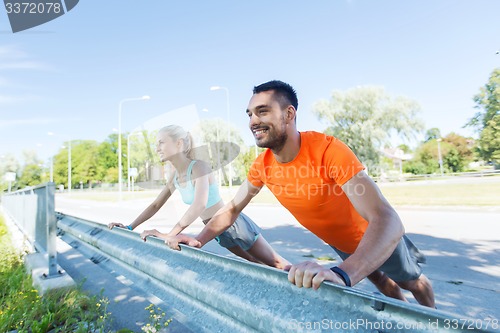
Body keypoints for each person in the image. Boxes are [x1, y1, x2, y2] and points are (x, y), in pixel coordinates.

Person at [171, 80, 436, 307]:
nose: (253, 121)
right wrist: (199, 239)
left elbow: (388, 219)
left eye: (262, 112)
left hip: (372, 237)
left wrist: (344, 274)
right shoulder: (262, 165)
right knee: (381, 281)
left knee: (410, 281)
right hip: (341, 243)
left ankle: (433, 321)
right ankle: (409, 321)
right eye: (249, 114)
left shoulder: (328, 150)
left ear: (288, 114)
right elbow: (231, 210)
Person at [108, 124, 289, 269]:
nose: (157, 148)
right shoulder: (175, 176)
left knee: (277, 265)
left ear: (179, 143)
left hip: (231, 224)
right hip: (214, 231)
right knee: (257, 266)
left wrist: (169, 235)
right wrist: (130, 227)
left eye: (161, 142)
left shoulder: (198, 167)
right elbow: (156, 205)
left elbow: (199, 205)